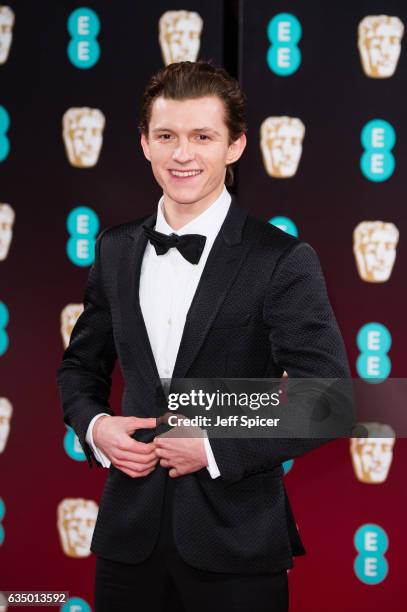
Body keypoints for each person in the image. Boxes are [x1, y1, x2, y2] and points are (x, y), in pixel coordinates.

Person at [56, 60, 351, 612]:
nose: (182, 154)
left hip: (236, 543)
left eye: (202, 136)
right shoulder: (115, 249)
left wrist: (214, 445)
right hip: (127, 540)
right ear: (144, 143)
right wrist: (96, 427)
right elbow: (79, 368)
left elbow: (327, 398)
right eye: (166, 136)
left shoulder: (280, 260)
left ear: (235, 146)